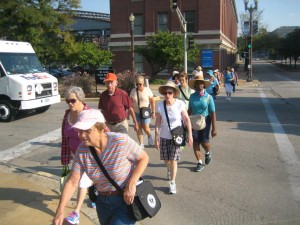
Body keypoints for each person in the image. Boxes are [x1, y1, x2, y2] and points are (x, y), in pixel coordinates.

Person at [53, 109, 149, 225]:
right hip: (102, 202)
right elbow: (72, 181)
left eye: (87, 131)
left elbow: (143, 158)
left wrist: (132, 183)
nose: (82, 135)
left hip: (125, 200)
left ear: (101, 129)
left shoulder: (120, 141)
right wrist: (60, 210)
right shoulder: (82, 151)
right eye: (79, 131)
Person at [61, 86, 95, 224]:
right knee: (86, 181)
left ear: (81, 99)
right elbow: (64, 137)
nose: (70, 103)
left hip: (89, 154)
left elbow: (103, 132)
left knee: (81, 182)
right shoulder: (67, 114)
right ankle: (94, 196)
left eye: (73, 100)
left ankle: (76, 212)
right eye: (67, 101)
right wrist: (65, 158)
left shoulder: (89, 114)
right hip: (75, 154)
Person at [155, 81, 193, 194]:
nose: (167, 95)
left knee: (173, 160)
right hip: (164, 136)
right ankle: (169, 169)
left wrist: (190, 134)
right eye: (165, 93)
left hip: (177, 136)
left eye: (170, 93)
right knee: (166, 161)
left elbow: (186, 119)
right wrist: (156, 137)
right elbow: (157, 122)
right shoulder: (160, 105)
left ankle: (172, 182)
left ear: (174, 93)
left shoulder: (180, 104)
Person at [188, 75, 217, 172]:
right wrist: (185, 122)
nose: (199, 85)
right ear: (195, 86)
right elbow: (190, 110)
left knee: (204, 142)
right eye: (197, 83)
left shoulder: (209, 97)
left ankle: (208, 152)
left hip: (205, 120)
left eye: (201, 83)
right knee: (195, 142)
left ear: (204, 85)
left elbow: (212, 112)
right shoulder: (192, 96)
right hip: (194, 121)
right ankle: (199, 162)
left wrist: (214, 128)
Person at [130, 75, 155, 148]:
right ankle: (141, 144)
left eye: (140, 84)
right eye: (137, 84)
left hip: (145, 112)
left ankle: (149, 135)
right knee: (139, 128)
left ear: (143, 83)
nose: (138, 86)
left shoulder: (147, 90)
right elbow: (130, 103)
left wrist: (153, 112)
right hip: (136, 112)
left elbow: (152, 101)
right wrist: (129, 113)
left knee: (146, 127)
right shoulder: (133, 91)